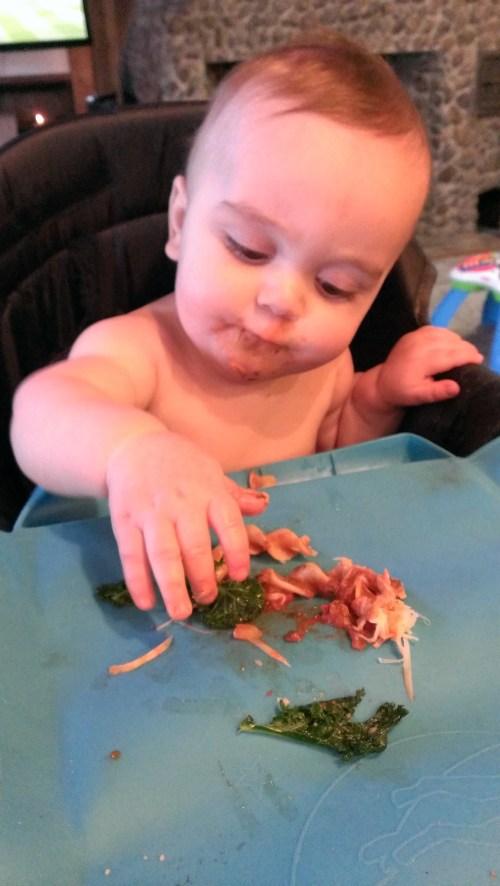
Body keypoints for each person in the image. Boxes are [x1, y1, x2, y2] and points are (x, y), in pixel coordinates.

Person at [10, 32, 482, 620]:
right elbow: (40, 411)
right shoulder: (138, 349)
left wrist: (375, 394)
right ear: (180, 223)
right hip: (125, 611)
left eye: (334, 287)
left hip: (273, 614)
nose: (283, 301)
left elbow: (335, 460)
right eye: (249, 250)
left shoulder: (322, 365)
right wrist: (133, 450)